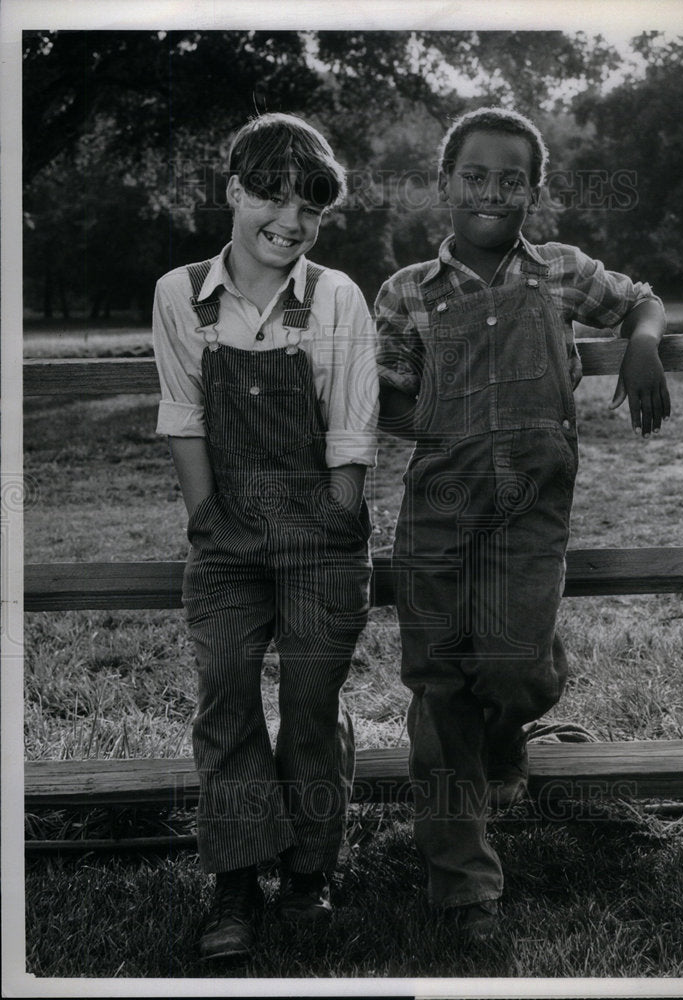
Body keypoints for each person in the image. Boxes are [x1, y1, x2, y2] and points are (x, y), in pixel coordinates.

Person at [374, 106, 670, 944]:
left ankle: (517, 726)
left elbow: (641, 299)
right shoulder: (406, 292)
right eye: (475, 176)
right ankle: (463, 890)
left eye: (512, 180)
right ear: (445, 184)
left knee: (515, 674)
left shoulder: (563, 273)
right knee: (440, 691)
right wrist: (448, 415)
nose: (492, 193)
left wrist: (643, 343)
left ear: (535, 191)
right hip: (437, 514)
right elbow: (385, 397)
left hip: (531, 518)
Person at [152, 112, 378, 961]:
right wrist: (209, 518)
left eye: (310, 208)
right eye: (271, 197)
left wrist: (336, 515)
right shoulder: (183, 295)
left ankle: (311, 875)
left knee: (311, 705)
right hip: (228, 539)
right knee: (227, 693)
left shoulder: (336, 297)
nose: (289, 221)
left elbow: (353, 429)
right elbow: (183, 415)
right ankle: (237, 881)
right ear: (233, 192)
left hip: (322, 534)